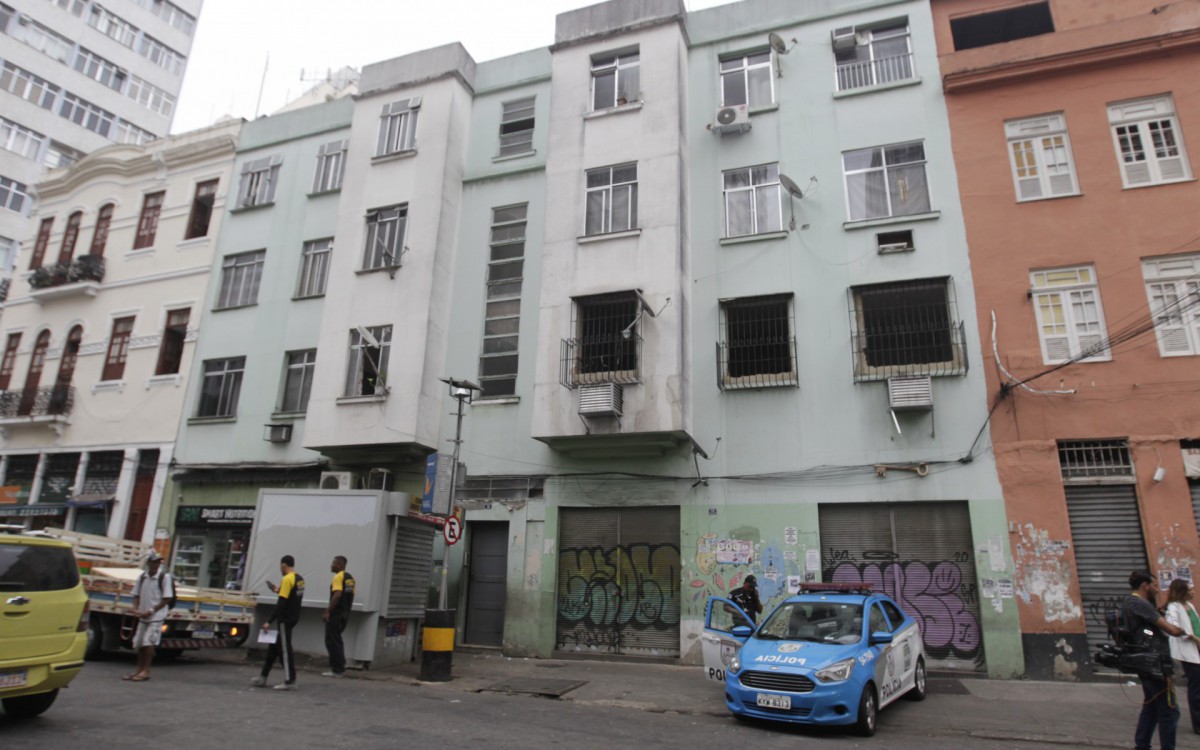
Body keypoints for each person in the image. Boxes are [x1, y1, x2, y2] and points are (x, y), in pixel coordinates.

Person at [1125, 571, 1188, 750]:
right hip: (1155, 664)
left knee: (1151, 705)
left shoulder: (1131, 602)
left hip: (1147, 662)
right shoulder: (1139, 603)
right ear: (1145, 585)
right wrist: (1185, 628)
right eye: (1153, 585)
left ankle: (1142, 744)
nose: (1156, 589)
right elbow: (1171, 630)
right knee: (1169, 709)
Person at [253, 555, 305, 691]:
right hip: (294, 616)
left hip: (285, 619)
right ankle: (262, 677)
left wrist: (269, 621)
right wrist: (277, 589)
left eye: (280, 566)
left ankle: (290, 681)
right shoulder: (299, 579)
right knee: (274, 648)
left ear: (284, 565)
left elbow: (281, 602)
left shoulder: (287, 579)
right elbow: (292, 596)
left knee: (285, 651)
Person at [123, 550, 174, 682]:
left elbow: (167, 598)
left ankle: (146, 670)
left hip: (156, 616)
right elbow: (136, 595)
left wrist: (151, 610)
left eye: (158, 562)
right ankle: (139, 670)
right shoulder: (142, 577)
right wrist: (136, 609)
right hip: (143, 615)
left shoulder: (164, 577)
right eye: (153, 562)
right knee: (139, 643)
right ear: (149, 563)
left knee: (149, 642)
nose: (155, 565)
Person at [1165, 579, 1200, 735]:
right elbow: (1173, 628)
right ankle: (1198, 723)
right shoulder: (1173, 607)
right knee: (1196, 687)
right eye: (1190, 590)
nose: (1193, 592)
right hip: (1188, 652)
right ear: (1182, 592)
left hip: (1198, 649)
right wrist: (1193, 638)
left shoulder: (1190, 606)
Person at [322, 555, 355, 678]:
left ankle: (337, 669)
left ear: (340, 565)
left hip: (336, 614)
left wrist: (327, 611)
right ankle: (341, 664)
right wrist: (347, 611)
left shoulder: (338, 576)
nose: (331, 565)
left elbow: (337, 594)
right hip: (345, 613)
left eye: (334, 563)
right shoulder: (350, 578)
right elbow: (351, 596)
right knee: (337, 639)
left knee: (332, 640)